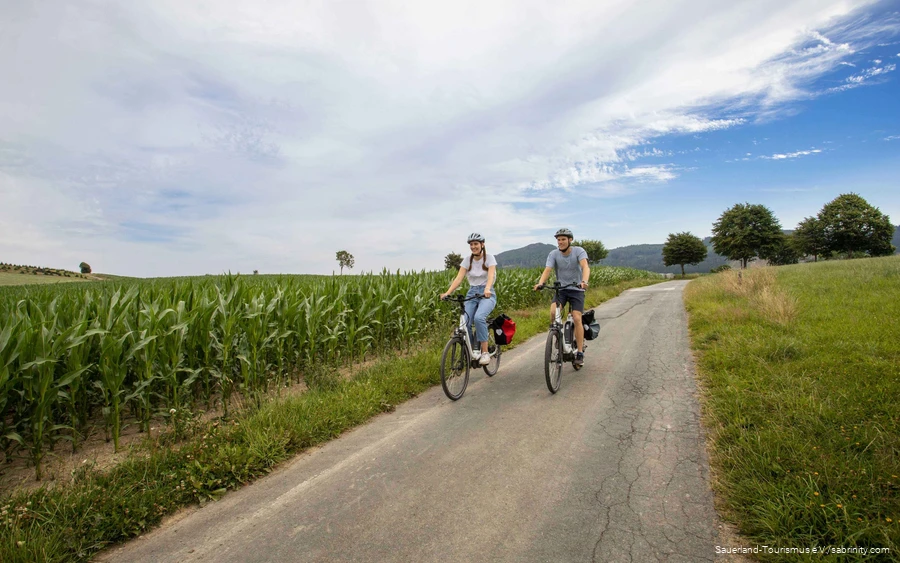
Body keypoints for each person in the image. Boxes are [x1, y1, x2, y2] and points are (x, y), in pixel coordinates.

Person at [533, 228, 591, 367]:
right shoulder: (553, 254)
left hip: (577, 289)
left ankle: (580, 352)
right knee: (553, 312)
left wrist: (584, 281)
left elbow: (585, 266)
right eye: (558, 240)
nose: (560, 242)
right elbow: (548, 270)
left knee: (577, 317)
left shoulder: (578, 251)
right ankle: (556, 335)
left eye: (563, 239)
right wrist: (541, 283)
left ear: (570, 240)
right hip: (562, 290)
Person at [440, 233, 498, 365]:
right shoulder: (467, 260)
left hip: (487, 293)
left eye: (476, 244)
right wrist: (447, 292)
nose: (473, 247)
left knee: (479, 318)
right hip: (472, 293)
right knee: (464, 323)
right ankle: (474, 349)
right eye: (471, 244)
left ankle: (484, 352)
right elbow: (459, 278)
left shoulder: (489, 258)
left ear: (482, 244)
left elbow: (490, 276)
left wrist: (488, 288)